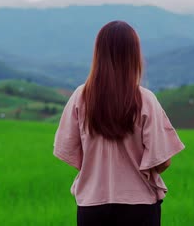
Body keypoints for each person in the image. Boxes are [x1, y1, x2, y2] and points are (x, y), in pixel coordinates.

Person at [53, 21, 185, 226]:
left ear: (98, 54)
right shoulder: (145, 100)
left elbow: (69, 151)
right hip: (139, 208)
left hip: (92, 207)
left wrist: (98, 166)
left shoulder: (81, 97)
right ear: (134, 55)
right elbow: (162, 162)